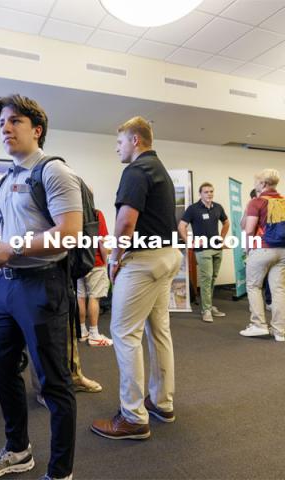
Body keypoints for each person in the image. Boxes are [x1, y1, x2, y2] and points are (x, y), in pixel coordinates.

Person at [0, 95, 81, 480]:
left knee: (54, 384)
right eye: (2, 121)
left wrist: (12, 247)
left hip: (42, 286)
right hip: (5, 288)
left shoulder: (54, 172)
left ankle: (60, 471)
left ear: (36, 130)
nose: (5, 127)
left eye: (14, 120)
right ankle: (18, 450)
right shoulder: (6, 179)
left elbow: (69, 235)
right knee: (1, 370)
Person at [91, 116, 182, 440]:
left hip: (143, 262)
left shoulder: (136, 170)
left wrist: (114, 259)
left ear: (135, 141)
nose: (117, 148)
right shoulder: (160, 171)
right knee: (159, 331)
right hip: (167, 257)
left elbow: (126, 223)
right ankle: (161, 402)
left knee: (123, 332)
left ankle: (132, 416)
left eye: (119, 143)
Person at [240, 169, 285, 342]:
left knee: (253, 286)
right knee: (279, 290)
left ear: (263, 184)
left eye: (256, 181)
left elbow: (249, 229)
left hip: (263, 249)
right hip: (283, 251)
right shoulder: (283, 201)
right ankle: (280, 331)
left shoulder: (257, 202)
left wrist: (247, 250)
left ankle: (258, 325)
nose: (255, 184)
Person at [178, 183, 230, 323]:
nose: (209, 194)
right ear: (200, 194)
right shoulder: (193, 209)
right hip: (203, 250)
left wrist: (222, 237)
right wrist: (189, 242)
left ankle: (209, 305)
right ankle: (206, 310)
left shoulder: (217, 207)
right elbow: (182, 226)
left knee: (213, 277)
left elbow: (226, 222)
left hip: (217, 248)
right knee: (206, 278)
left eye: (211, 191)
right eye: (206, 192)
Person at [78, 208, 112, 347]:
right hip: (95, 262)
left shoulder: (73, 214)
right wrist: (105, 262)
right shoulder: (97, 213)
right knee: (94, 297)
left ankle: (82, 331)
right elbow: (103, 241)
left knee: (80, 296)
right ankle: (94, 334)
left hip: (79, 263)